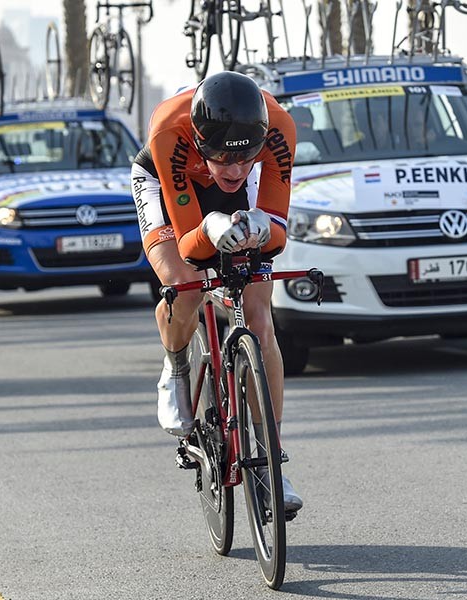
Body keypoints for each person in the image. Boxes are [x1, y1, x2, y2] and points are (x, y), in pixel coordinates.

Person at [130, 71, 302, 513]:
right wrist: (211, 228)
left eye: (245, 158)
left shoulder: (279, 128)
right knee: (184, 287)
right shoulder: (170, 129)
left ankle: (270, 464)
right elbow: (189, 242)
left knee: (260, 320)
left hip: (237, 202)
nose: (234, 169)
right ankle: (176, 367)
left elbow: (277, 233)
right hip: (171, 187)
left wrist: (262, 226)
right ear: (201, 141)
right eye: (223, 159)